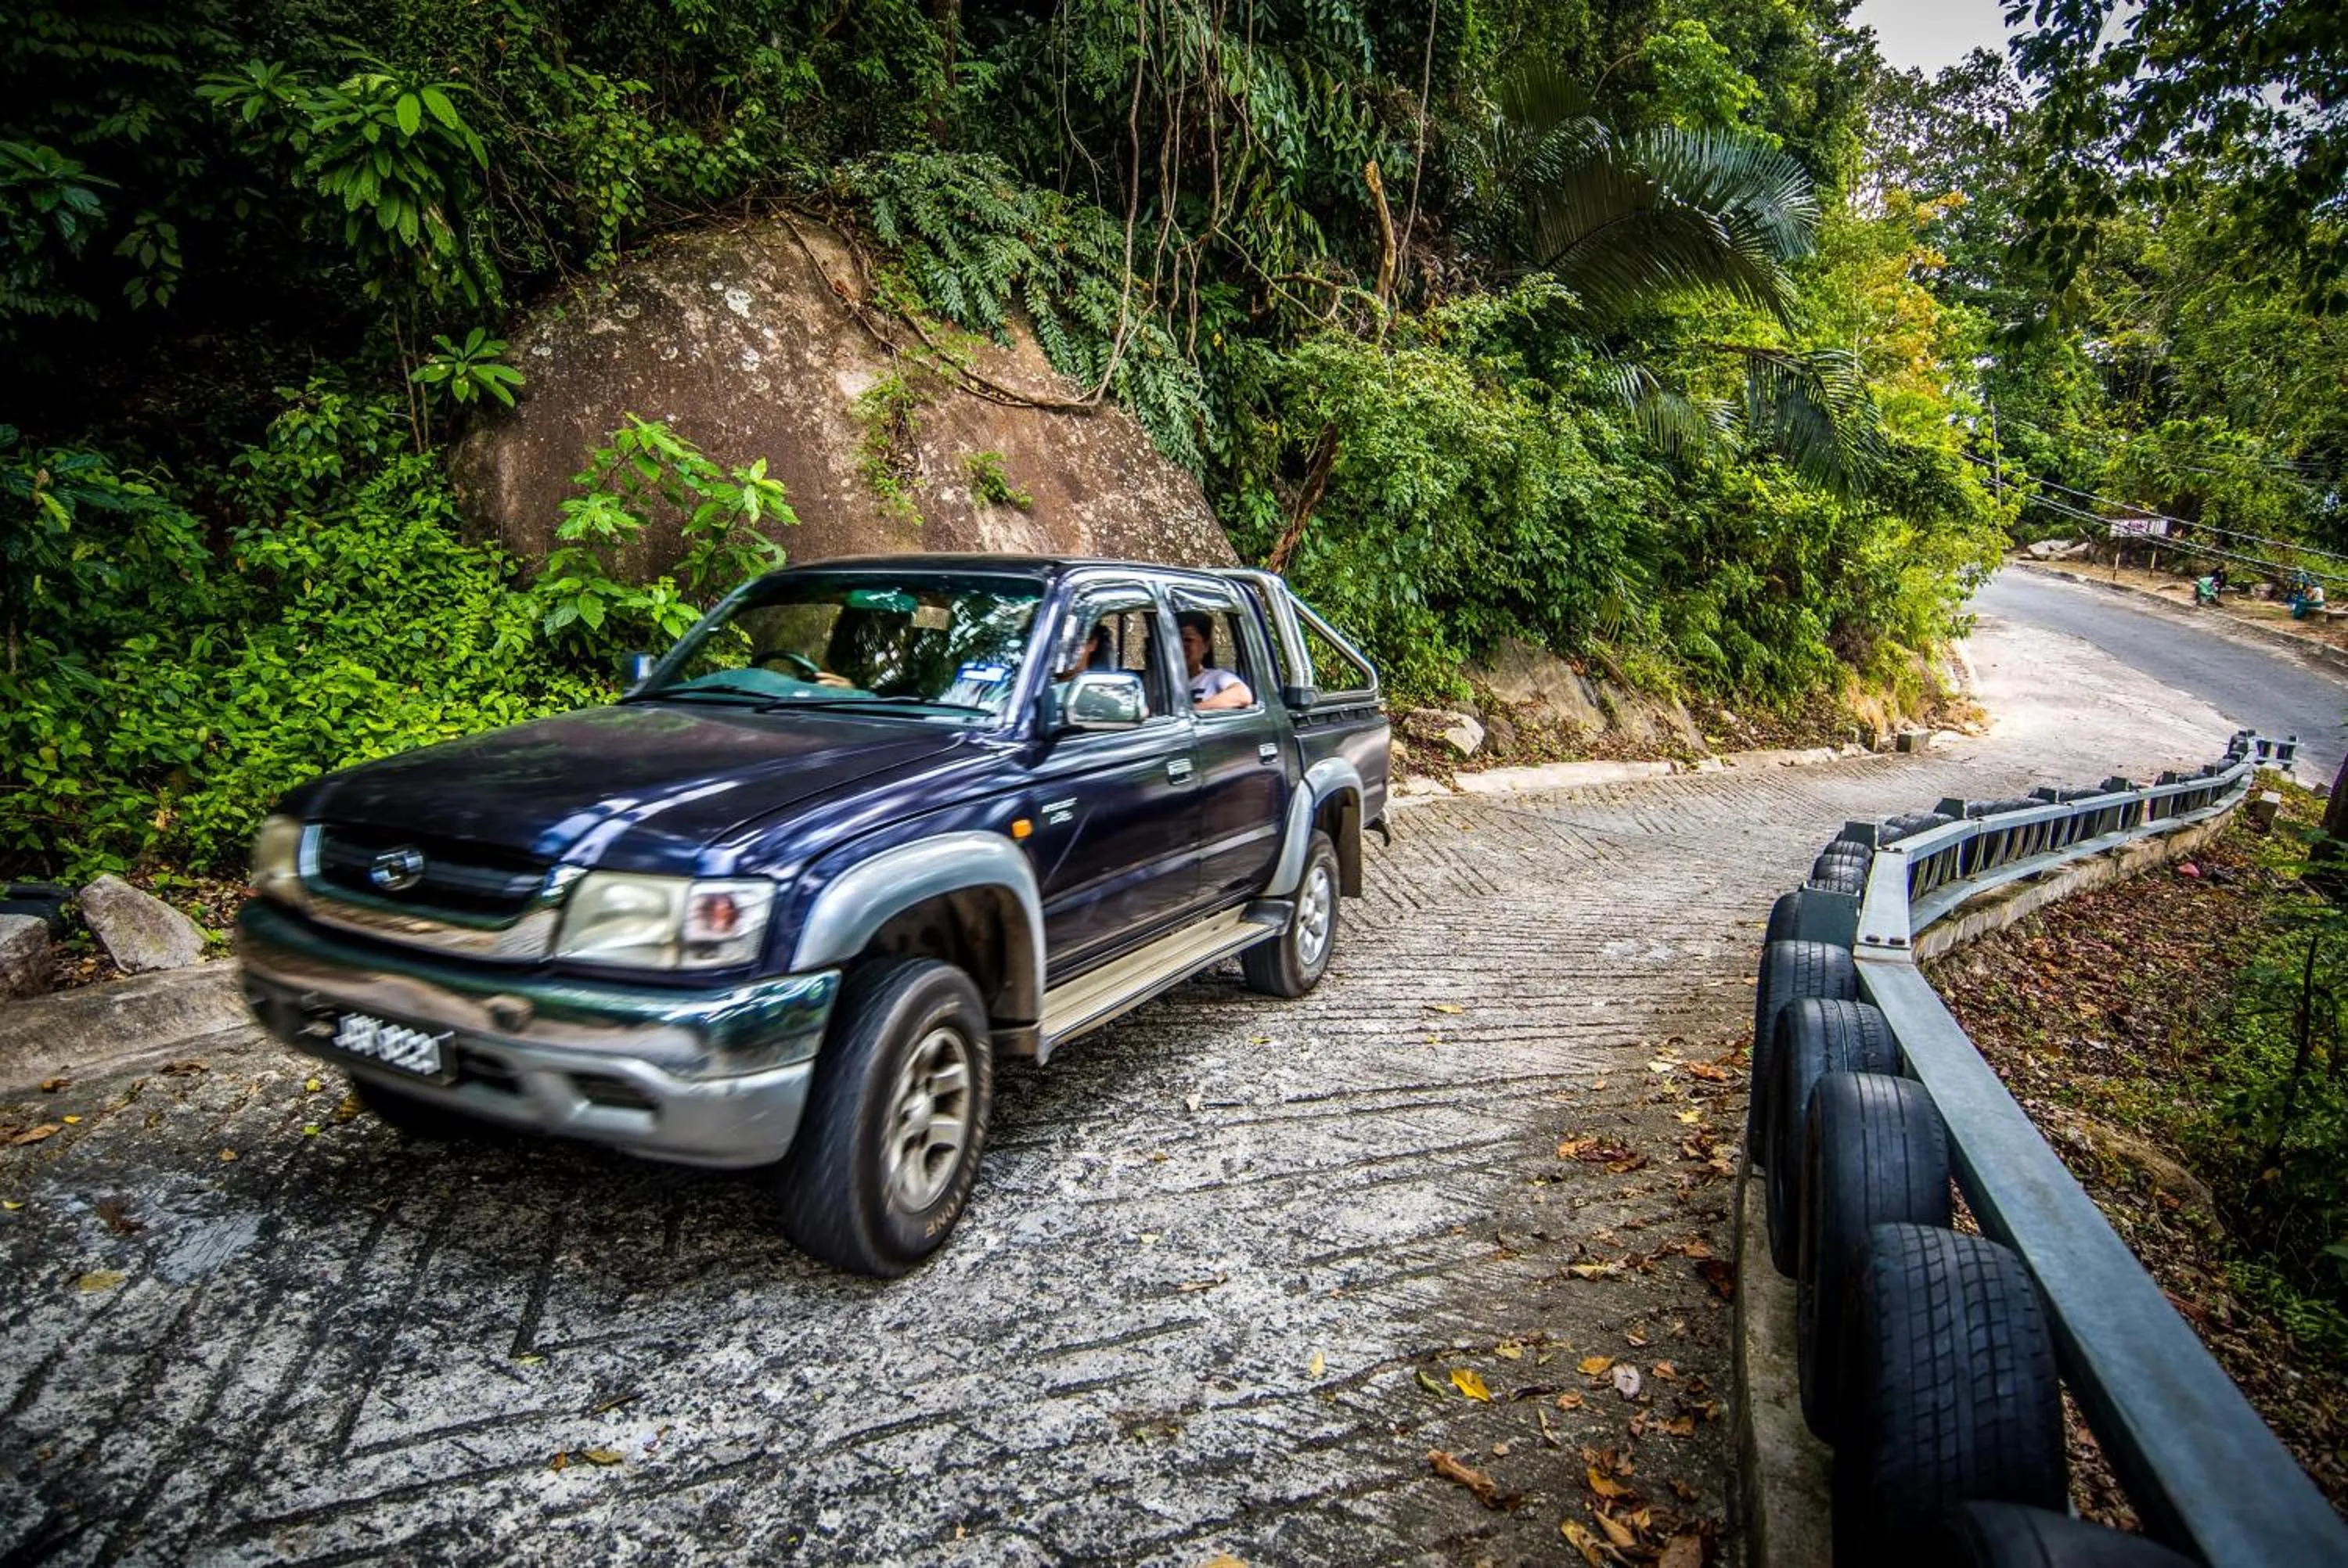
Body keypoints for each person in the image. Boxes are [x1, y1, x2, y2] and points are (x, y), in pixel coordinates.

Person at [1176, 610, 1253, 711]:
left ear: (1206, 646)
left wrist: (1193, 710)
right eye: (1176, 640)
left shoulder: (1216, 678)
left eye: (1188, 640)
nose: (1181, 646)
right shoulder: (1156, 683)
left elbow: (1242, 695)